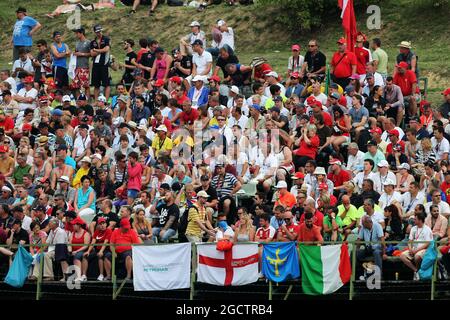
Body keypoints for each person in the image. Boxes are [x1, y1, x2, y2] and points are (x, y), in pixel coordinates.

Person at [399, 211, 433, 280]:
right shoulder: (413, 228)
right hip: (414, 249)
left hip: (423, 249)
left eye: (415, 219)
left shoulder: (427, 229)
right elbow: (410, 241)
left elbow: (427, 243)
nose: (414, 220)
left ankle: (419, 272)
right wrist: (410, 249)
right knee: (402, 256)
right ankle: (416, 271)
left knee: (417, 257)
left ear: (420, 220)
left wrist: (416, 250)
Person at [83, 217, 112, 281]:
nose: (102, 225)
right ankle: (83, 275)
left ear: (106, 224)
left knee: (100, 255)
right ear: (98, 225)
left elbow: (106, 242)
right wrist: (88, 251)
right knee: (85, 256)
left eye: (103, 223)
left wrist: (101, 251)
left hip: (106, 249)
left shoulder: (108, 231)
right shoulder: (97, 231)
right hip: (97, 249)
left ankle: (104, 275)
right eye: (100, 224)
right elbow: (93, 242)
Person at [356, 215, 385, 280]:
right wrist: (357, 249)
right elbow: (359, 239)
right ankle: (358, 274)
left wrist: (384, 253)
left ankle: (379, 275)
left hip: (377, 248)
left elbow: (382, 240)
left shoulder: (377, 226)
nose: (362, 225)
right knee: (356, 253)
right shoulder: (363, 227)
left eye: (363, 224)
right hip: (368, 248)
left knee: (377, 252)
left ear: (368, 222)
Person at [90, 25, 111, 101]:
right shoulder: (93, 42)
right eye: (97, 32)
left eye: (100, 31)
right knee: (96, 84)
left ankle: (106, 100)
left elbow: (106, 49)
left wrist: (96, 50)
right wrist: (99, 51)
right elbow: (92, 53)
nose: (99, 33)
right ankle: (96, 100)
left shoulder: (106, 39)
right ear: (95, 32)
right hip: (96, 64)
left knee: (106, 83)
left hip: (104, 64)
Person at [68, 217, 90, 282]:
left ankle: (79, 276)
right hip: (74, 251)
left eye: (74, 224)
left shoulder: (86, 233)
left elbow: (86, 245)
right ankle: (66, 276)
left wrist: (76, 251)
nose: (73, 226)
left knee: (77, 256)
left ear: (79, 225)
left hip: (83, 250)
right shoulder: (73, 233)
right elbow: (70, 242)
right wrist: (70, 250)